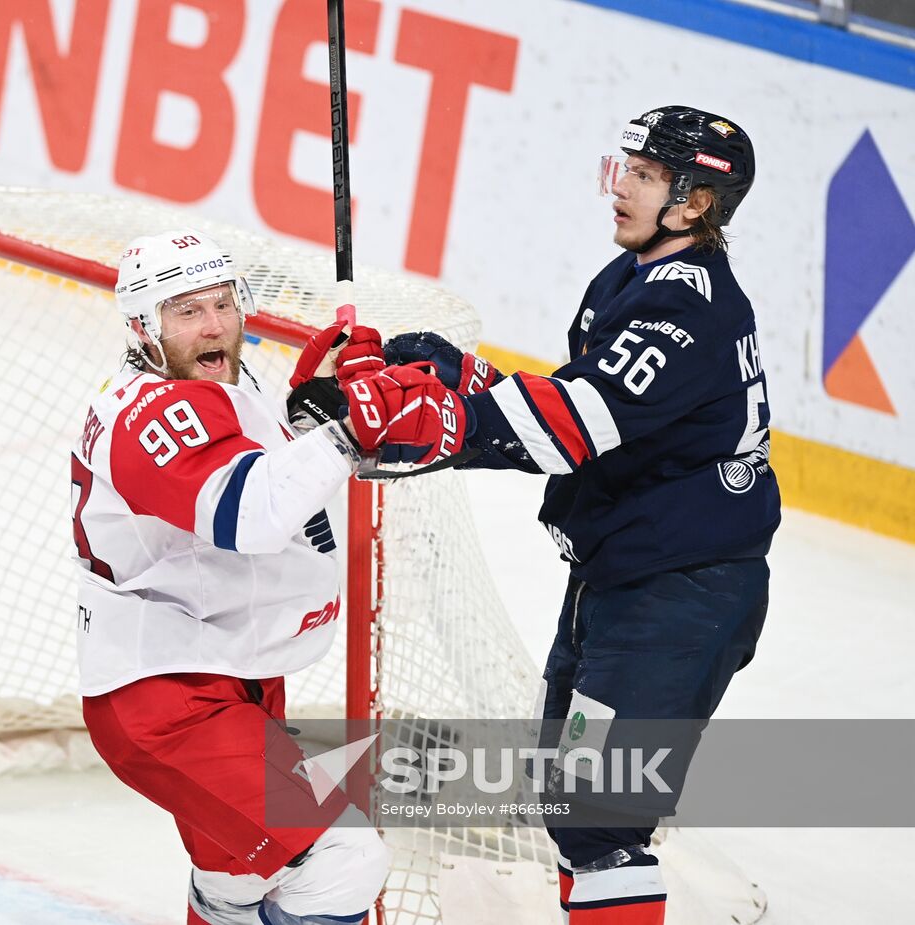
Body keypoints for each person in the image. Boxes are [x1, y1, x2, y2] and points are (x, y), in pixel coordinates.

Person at [377, 106, 779, 923]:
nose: (620, 188)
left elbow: (573, 428)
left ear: (694, 202)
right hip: (625, 579)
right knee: (573, 806)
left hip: (679, 599)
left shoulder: (686, 307)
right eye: (622, 168)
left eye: (644, 175)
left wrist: (441, 423)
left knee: (599, 820)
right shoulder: (632, 279)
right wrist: (465, 378)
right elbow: (583, 399)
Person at [71, 228, 464, 925]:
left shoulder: (204, 384)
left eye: (223, 303)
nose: (215, 324)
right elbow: (249, 513)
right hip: (170, 700)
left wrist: (309, 410)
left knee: (235, 881)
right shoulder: (152, 414)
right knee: (345, 862)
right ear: (142, 326)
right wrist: (349, 431)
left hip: (224, 670)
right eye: (186, 311)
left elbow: (247, 464)